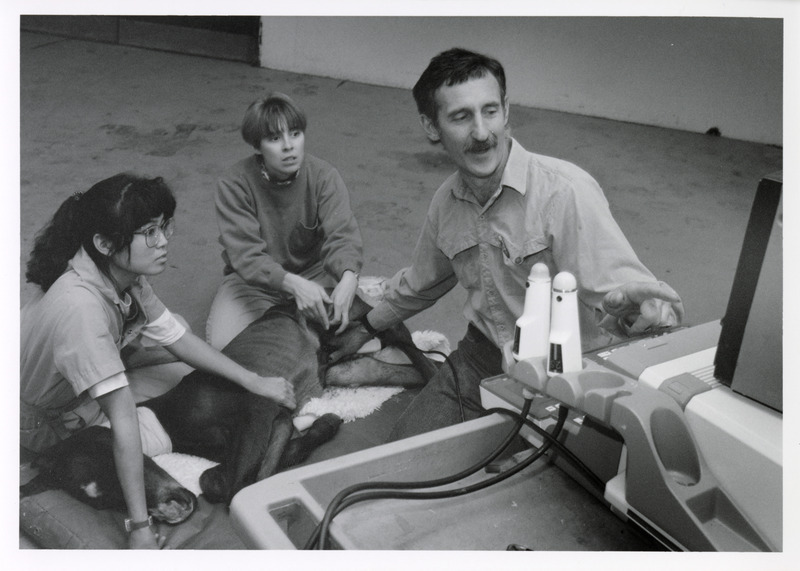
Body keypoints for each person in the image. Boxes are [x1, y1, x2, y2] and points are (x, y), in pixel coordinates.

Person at [328, 48, 684, 441]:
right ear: (432, 127)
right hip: (483, 359)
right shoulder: (446, 204)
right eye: (461, 117)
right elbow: (421, 283)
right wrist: (364, 326)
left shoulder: (565, 192)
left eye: (490, 111)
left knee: (561, 490)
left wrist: (640, 316)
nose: (482, 133)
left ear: (507, 110)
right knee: (405, 459)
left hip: (570, 370)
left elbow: (631, 300)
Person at [20, 174, 296, 549]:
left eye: (164, 226)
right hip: (40, 422)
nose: (163, 241)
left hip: (75, 385)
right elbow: (121, 422)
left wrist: (254, 381)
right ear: (104, 243)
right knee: (128, 439)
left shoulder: (119, 272)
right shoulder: (80, 310)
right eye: (148, 233)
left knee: (187, 360)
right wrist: (139, 526)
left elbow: (176, 337)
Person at [206, 92, 363, 350]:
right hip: (255, 284)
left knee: (361, 329)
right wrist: (294, 286)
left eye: (295, 133)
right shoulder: (233, 184)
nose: (289, 146)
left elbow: (343, 235)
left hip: (313, 273)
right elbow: (247, 257)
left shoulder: (324, 176)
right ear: (257, 146)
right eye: (274, 138)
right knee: (226, 348)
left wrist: (349, 277)